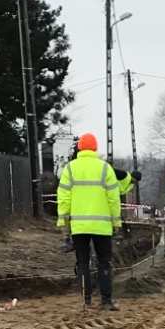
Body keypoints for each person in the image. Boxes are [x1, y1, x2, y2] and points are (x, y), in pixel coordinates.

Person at [57, 133, 123, 311]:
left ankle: (86, 301)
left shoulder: (70, 169)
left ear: (79, 148)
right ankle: (106, 300)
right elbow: (113, 198)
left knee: (83, 262)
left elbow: (63, 197)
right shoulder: (105, 168)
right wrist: (116, 222)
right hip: (102, 227)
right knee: (104, 262)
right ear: (95, 148)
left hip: (79, 226)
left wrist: (64, 222)